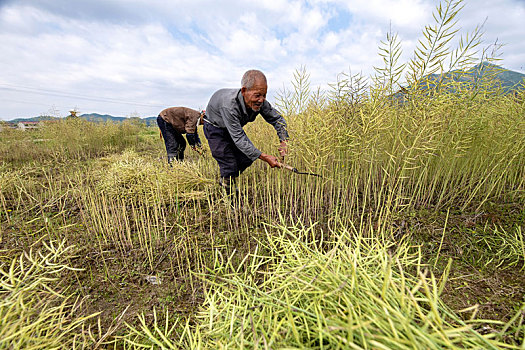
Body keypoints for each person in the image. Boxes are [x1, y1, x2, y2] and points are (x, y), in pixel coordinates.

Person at [203, 69, 289, 196]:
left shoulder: (261, 103)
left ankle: (227, 177)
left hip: (233, 127)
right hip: (215, 128)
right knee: (229, 163)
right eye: (257, 95)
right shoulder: (229, 105)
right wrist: (265, 157)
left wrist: (284, 141)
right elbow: (238, 138)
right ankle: (229, 193)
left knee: (247, 157)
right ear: (244, 91)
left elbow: (277, 119)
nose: (261, 100)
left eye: (264, 95)